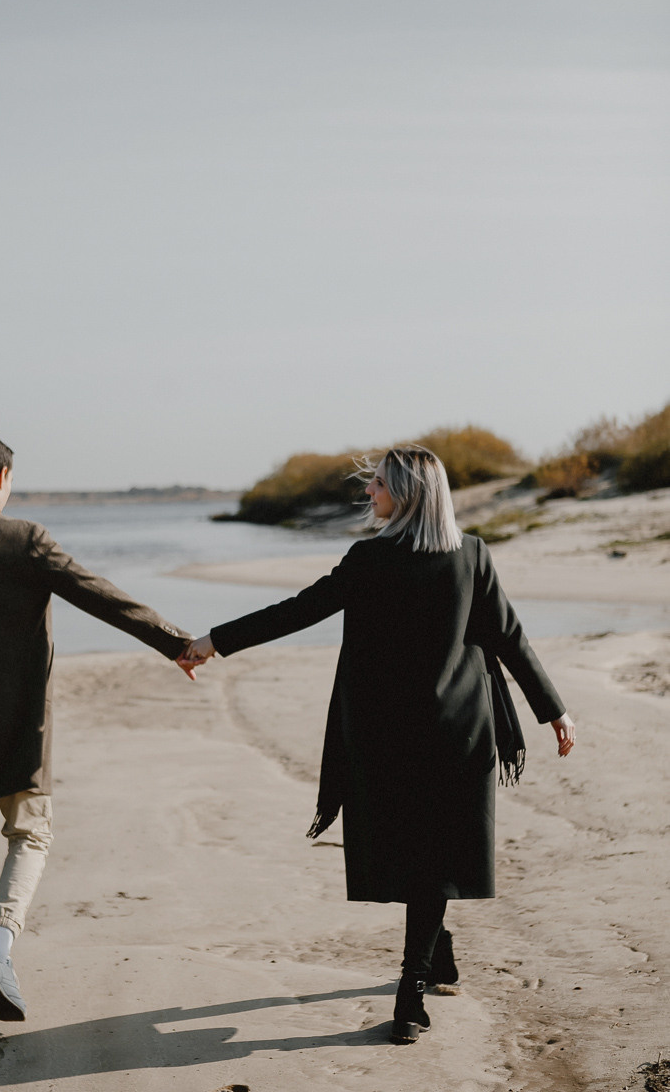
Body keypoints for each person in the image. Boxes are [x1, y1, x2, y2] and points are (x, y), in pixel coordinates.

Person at [184, 445, 575, 1043]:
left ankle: (409, 993)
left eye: (380, 486)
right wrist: (555, 711)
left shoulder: (373, 559)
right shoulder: (470, 556)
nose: (370, 494)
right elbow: (510, 639)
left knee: (424, 858)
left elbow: (299, 612)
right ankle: (437, 953)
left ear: (408, 495)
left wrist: (215, 640)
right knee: (428, 858)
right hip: (459, 734)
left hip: (386, 738)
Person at [0, 431, 195, 1022]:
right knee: (31, 834)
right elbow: (99, 596)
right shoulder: (25, 539)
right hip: (18, 719)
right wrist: (173, 642)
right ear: (1, 479)